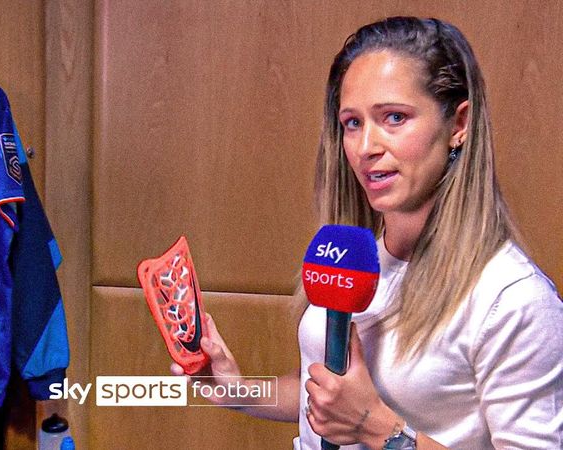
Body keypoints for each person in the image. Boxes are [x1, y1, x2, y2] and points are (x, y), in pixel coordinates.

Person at [172, 16, 563, 449]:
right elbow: (323, 393)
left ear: (459, 124)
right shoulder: (355, 258)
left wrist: (381, 431)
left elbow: (361, 415)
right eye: (352, 123)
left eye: (394, 117)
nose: (365, 147)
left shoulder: (511, 299)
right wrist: (237, 389)